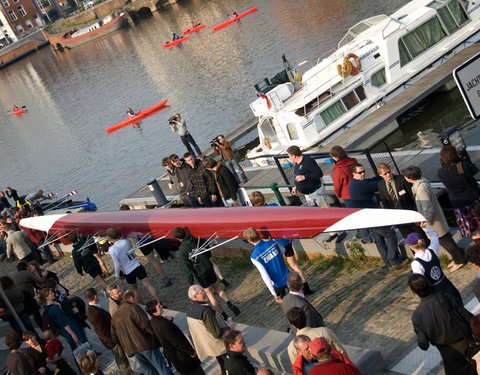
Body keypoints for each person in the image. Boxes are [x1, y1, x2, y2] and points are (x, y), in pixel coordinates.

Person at [409, 273, 477, 375]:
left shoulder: (417, 315)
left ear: (413, 291)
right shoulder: (446, 298)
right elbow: (468, 317)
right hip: (467, 343)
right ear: (428, 284)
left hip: (448, 354)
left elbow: (423, 344)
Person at [403, 165, 466, 272]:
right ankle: (456, 258)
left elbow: (427, 207)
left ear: (409, 178)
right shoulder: (422, 183)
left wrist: (425, 221)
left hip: (433, 221)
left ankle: (459, 260)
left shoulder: (420, 189)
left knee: (445, 241)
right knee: (445, 240)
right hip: (435, 218)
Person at [247, 192, 314, 293]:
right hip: (285, 240)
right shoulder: (275, 206)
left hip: (272, 245)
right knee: (294, 265)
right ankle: (306, 287)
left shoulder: (254, 215)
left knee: (280, 268)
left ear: (252, 202)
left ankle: (284, 291)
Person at [173, 226, 240, 319]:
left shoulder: (182, 250)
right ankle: (229, 303)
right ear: (185, 233)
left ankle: (224, 316)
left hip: (200, 274)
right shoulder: (197, 241)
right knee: (218, 289)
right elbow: (208, 252)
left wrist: (190, 282)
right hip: (209, 268)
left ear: (177, 238)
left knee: (210, 295)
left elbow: (187, 267)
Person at [349, 163, 407, 268]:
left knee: (379, 240)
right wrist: (384, 176)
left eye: (364, 171)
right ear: (354, 173)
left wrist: (380, 175)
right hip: (371, 216)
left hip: (365, 216)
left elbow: (371, 180)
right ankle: (394, 261)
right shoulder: (361, 185)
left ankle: (388, 263)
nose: (363, 174)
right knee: (390, 235)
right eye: (360, 172)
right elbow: (378, 185)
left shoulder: (355, 182)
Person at [111, 290, 174, 375]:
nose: (137, 301)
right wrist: (156, 337)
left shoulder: (115, 316)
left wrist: (126, 345)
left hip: (133, 349)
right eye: (136, 298)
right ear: (131, 298)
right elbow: (146, 325)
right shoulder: (134, 307)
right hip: (145, 344)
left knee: (149, 371)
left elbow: (114, 336)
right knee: (162, 368)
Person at [146, 299, 205, 375]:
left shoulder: (154, 322)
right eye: (159, 306)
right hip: (182, 356)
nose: (162, 307)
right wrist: (190, 351)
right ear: (154, 312)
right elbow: (176, 341)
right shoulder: (163, 324)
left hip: (175, 357)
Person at [118, 205, 173, 287]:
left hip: (142, 241)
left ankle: (165, 279)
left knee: (153, 260)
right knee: (155, 259)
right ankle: (165, 275)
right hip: (149, 236)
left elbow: (125, 235)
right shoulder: (137, 216)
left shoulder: (124, 223)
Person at [406, 224, 462, 304]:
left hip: (436, 294)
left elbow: (420, 283)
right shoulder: (432, 249)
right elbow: (435, 236)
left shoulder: (416, 264)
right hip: (447, 285)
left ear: (411, 247)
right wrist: (425, 227)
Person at [84, 288, 135, 375]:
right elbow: (102, 331)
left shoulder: (92, 309)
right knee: (122, 361)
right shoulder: (95, 313)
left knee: (121, 360)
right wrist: (114, 341)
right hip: (112, 340)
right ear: (95, 296)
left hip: (111, 340)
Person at [107, 227, 162, 305]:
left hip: (128, 271)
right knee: (148, 285)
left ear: (110, 237)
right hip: (137, 265)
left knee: (135, 289)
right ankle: (158, 302)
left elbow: (117, 264)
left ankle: (142, 305)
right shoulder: (126, 241)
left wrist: (117, 275)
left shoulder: (112, 249)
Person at [377, 163, 429, 243]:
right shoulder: (381, 185)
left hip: (411, 214)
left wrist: (417, 213)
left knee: (421, 237)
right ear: (380, 174)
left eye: (389, 172)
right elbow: (385, 202)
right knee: (409, 239)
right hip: (399, 218)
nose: (388, 175)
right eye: (385, 174)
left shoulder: (401, 179)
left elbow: (413, 196)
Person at [186, 285, 231, 375]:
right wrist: (229, 327)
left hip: (209, 345)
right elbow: (217, 333)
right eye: (202, 292)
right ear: (195, 296)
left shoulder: (190, 309)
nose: (205, 292)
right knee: (227, 366)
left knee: (222, 365)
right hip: (218, 344)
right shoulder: (205, 311)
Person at [438, 145, 480, 237]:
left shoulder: (440, 172)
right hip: (473, 201)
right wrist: (463, 158)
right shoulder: (462, 166)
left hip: (458, 204)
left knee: (472, 230)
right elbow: (474, 169)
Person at [243, 227, 291, 302]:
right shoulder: (273, 243)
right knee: (298, 298)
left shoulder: (255, 256)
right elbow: (283, 250)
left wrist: (273, 292)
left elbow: (265, 275)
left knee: (286, 305)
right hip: (288, 276)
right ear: (258, 234)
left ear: (249, 240)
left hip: (276, 284)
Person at [12, 261, 47, 328]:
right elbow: (40, 281)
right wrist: (44, 275)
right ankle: (42, 326)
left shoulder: (14, 276)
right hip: (27, 296)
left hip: (18, 297)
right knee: (35, 312)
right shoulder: (27, 273)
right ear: (26, 267)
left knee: (26, 314)